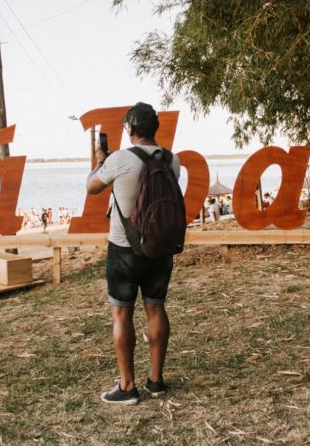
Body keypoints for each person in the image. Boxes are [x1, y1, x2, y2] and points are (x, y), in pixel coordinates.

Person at [86, 102, 181, 405]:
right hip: (159, 247)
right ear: (154, 128)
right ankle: (156, 381)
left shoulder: (120, 160)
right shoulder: (172, 160)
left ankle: (127, 386)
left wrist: (100, 161)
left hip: (124, 249)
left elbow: (92, 188)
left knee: (122, 313)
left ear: (130, 129)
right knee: (156, 308)